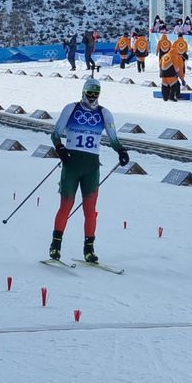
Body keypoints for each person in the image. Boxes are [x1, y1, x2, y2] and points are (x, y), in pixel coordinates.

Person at [49, 79, 129, 264]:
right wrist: (60, 148)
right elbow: (55, 133)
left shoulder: (104, 113)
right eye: (89, 93)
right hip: (72, 164)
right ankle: (55, 246)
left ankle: (89, 249)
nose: (92, 97)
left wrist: (121, 151)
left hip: (91, 166)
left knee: (90, 210)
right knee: (66, 206)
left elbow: (113, 137)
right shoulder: (71, 109)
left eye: (95, 94)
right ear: (83, 92)